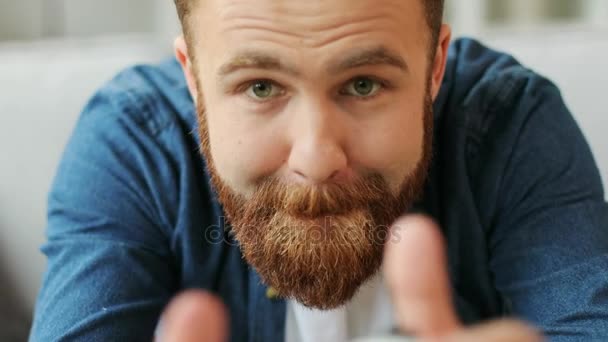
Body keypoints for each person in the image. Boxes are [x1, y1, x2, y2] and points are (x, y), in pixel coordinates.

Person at [30, 0, 607, 341]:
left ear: (435, 70)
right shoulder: (135, 140)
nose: (315, 158)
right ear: (194, 79)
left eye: (363, 84)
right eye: (260, 87)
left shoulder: (511, 123)